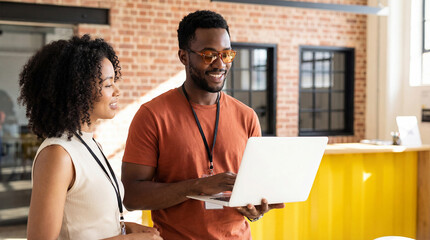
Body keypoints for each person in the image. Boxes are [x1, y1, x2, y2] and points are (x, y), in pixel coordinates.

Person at [121, 10, 284, 239]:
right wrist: (196, 187)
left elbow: (250, 193)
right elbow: (132, 197)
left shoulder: (247, 117)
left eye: (226, 54)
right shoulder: (152, 115)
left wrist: (255, 211)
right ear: (184, 56)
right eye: (209, 55)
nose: (220, 64)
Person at [19, 34, 162, 240]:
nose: (117, 91)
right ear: (78, 90)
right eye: (108, 84)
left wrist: (126, 228)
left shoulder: (89, 143)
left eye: (115, 82)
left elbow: (87, 222)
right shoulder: (58, 155)